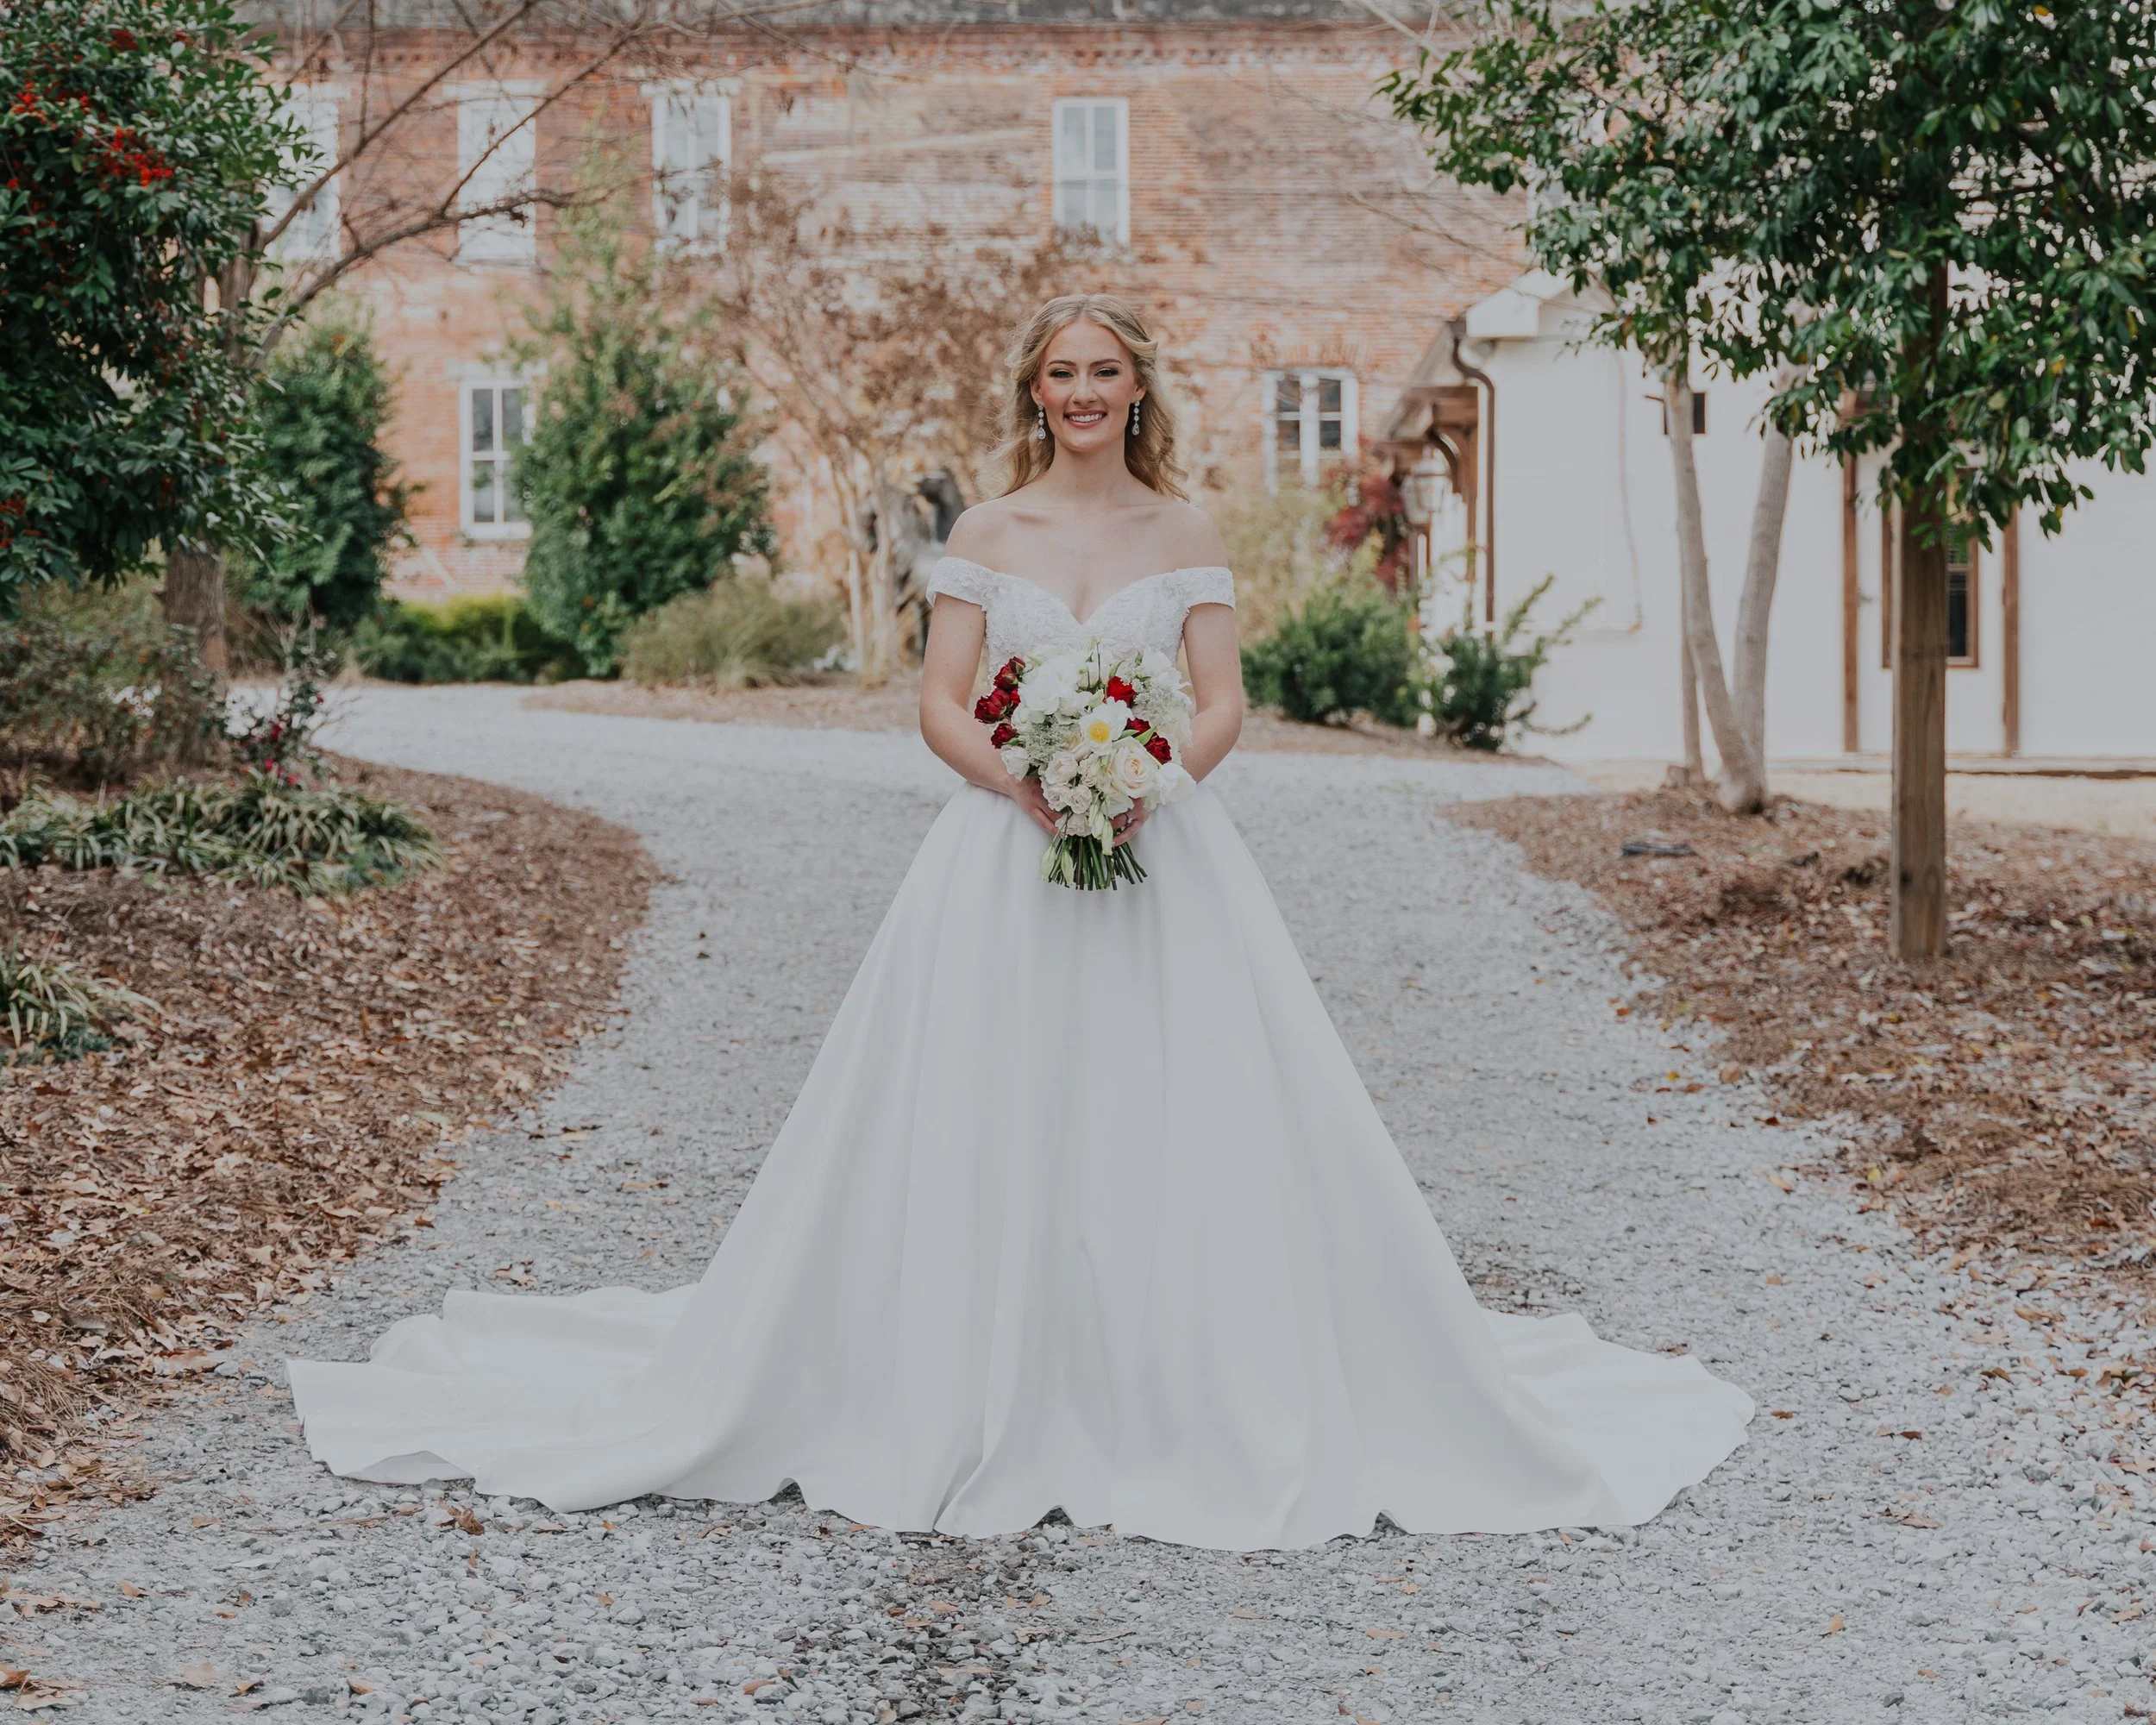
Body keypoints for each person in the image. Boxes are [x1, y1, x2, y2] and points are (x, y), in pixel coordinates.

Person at [289, 293, 1752, 1552]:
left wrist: (1145, 783)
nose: (1081, 394)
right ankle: (968, 1374)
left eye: (1103, 372)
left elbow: (1228, 700)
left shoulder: (1186, 527)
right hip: (1004, 852)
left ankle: (1179, 1380)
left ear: (1137, 391)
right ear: (1032, 396)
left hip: (1166, 853)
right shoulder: (986, 529)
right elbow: (938, 701)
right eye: (1059, 376)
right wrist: (1039, 789)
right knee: (985, 1107)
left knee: (1183, 1109)